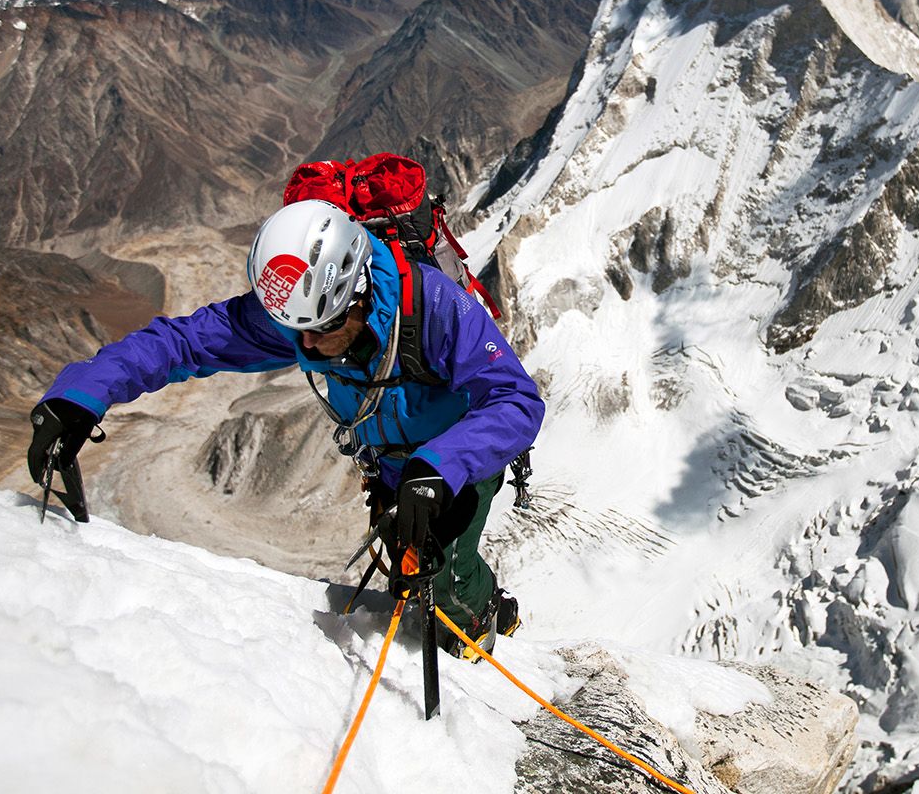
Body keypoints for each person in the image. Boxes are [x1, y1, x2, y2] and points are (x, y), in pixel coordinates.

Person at [27, 198, 544, 657]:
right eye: (297, 333)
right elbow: (181, 343)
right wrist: (83, 394)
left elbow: (515, 400)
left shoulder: (434, 306)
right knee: (410, 565)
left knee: (444, 578)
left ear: (357, 296)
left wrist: (438, 468)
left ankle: (478, 628)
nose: (307, 349)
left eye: (320, 331)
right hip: (392, 467)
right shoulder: (301, 312)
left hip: (460, 460)